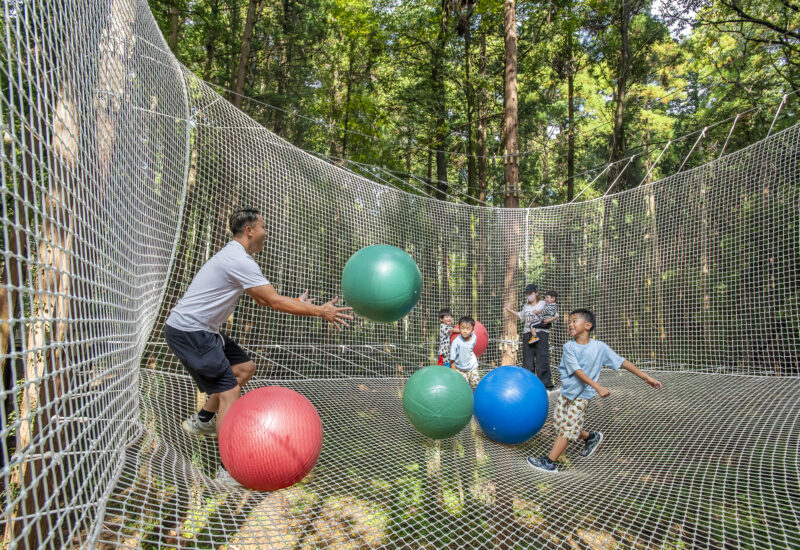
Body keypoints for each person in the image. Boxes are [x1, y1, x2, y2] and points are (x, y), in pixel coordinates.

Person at [164, 206, 352, 484]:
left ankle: (204, 420)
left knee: (244, 368)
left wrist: (299, 305)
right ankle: (229, 469)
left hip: (203, 330)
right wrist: (321, 311)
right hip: (190, 331)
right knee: (229, 393)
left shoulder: (236, 257)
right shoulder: (238, 259)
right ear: (250, 230)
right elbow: (272, 301)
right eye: (263, 227)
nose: (266, 232)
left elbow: (263, 298)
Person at [526, 309, 663, 473]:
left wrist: (646, 377)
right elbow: (577, 371)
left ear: (588, 325)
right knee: (561, 426)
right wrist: (598, 386)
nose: (570, 324)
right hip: (566, 394)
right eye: (569, 322)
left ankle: (549, 463)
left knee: (566, 430)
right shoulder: (569, 347)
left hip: (581, 397)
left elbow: (622, 362)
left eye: (574, 321)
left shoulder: (600, 347)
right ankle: (591, 437)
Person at [504, 284, 552, 388]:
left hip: (541, 332)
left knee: (541, 358)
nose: (529, 296)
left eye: (530, 293)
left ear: (536, 293)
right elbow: (521, 315)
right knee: (528, 361)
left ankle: (546, 386)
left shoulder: (544, 303)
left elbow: (552, 313)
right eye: (527, 294)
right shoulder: (526, 306)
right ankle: (528, 386)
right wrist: (509, 310)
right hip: (527, 334)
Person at [528, 290, 559, 387]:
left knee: (532, 325)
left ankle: (534, 337)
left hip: (545, 326)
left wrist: (549, 319)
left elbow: (556, 315)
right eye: (545, 297)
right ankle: (534, 336)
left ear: (553, 299)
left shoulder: (552, 306)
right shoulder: (547, 305)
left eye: (547, 298)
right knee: (533, 325)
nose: (546, 299)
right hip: (544, 323)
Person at [449, 316, 480, 390]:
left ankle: (475, 398)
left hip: (472, 366)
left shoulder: (474, 337)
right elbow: (452, 360)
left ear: (472, 329)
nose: (465, 331)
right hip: (460, 369)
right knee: (464, 388)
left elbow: (470, 349)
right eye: (462, 328)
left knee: (476, 384)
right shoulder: (456, 343)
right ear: (459, 328)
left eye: (468, 329)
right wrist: (455, 373)